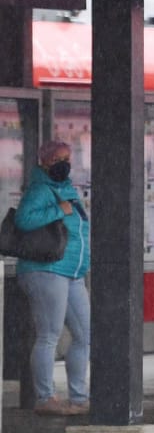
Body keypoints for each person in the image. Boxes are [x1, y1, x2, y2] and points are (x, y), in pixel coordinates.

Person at [17, 141, 90, 416]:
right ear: (44, 162)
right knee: (49, 335)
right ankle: (45, 397)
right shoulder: (39, 189)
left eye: (68, 158)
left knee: (85, 334)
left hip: (71, 272)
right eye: (57, 158)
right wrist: (60, 210)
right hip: (46, 270)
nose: (64, 163)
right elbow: (24, 219)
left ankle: (79, 397)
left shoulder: (66, 188)